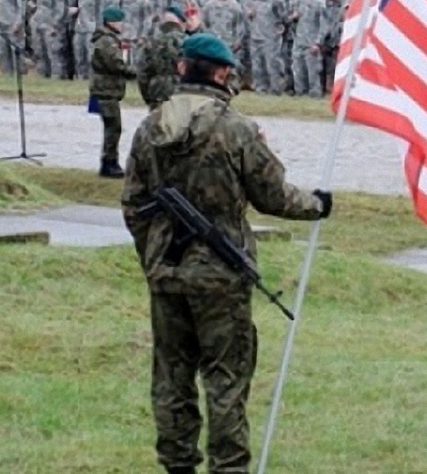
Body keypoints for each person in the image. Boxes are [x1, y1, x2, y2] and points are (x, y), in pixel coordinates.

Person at [121, 33, 332, 474]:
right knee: (226, 378)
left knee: (172, 376)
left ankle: (177, 464)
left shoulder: (150, 126)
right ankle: (228, 468)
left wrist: (153, 255)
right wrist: (318, 204)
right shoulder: (234, 129)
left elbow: (133, 204)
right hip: (220, 276)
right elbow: (274, 195)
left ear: (182, 69)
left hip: (167, 272)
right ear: (221, 74)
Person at [91, 6, 135, 177]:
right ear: (111, 22)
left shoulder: (105, 39)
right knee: (113, 127)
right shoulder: (106, 41)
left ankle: (109, 161)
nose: (122, 25)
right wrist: (135, 72)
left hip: (105, 89)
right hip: (105, 90)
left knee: (112, 126)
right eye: (120, 21)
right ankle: (109, 163)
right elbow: (116, 64)